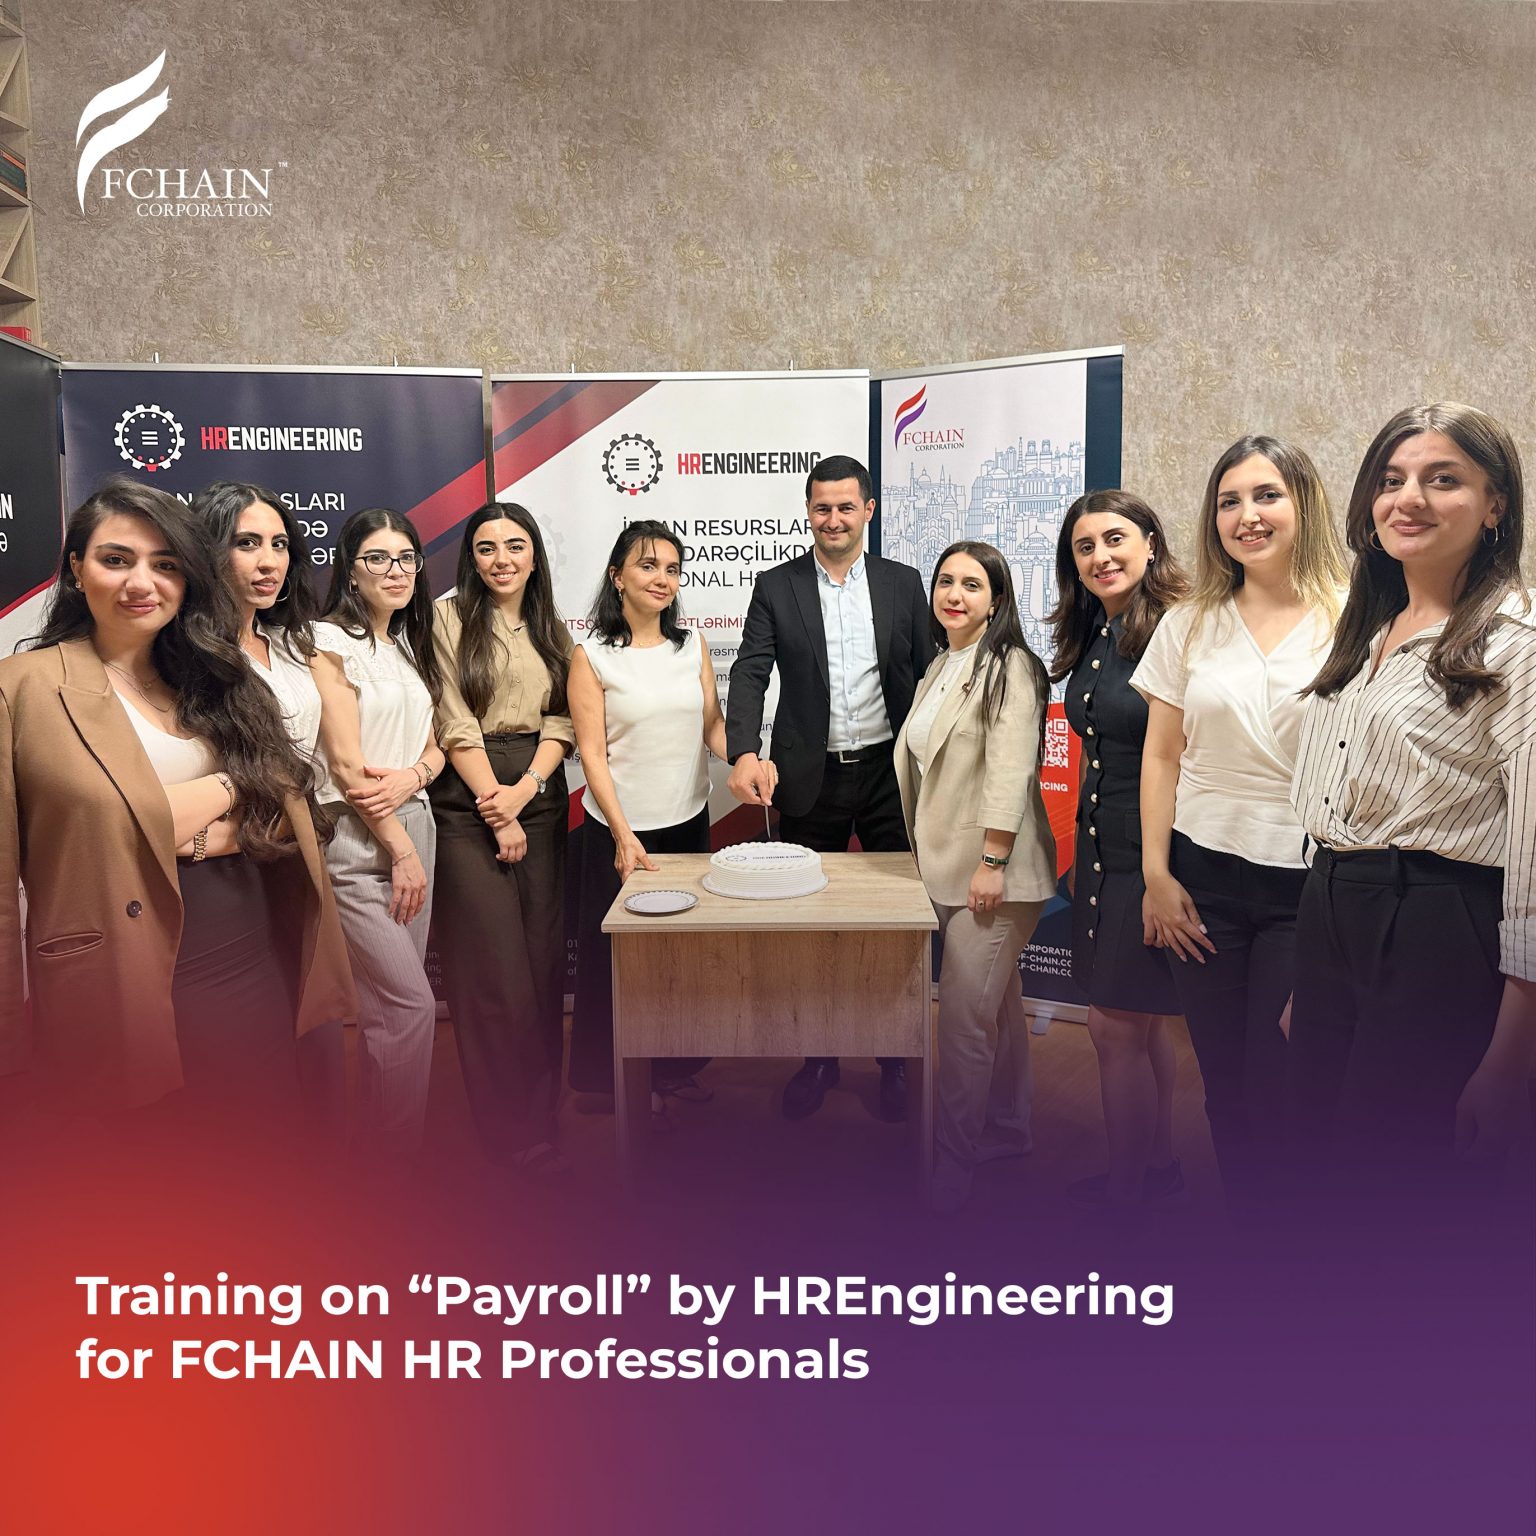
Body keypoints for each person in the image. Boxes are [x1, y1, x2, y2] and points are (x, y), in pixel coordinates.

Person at [0, 477, 353, 1116]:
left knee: (266, 1146)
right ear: (77, 568)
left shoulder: (215, 675)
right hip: (115, 970)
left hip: (250, 949)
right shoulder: (22, 689)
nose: (142, 583)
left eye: (165, 565)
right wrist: (229, 788)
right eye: (116, 559)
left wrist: (186, 820)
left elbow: (288, 804)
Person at [1290, 402, 1536, 1190]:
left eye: (1443, 480)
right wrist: (1313, 964)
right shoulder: (1369, 628)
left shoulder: (1517, 646)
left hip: (1436, 924)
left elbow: (1533, 868)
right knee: (1315, 1161)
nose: (1410, 499)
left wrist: (1513, 1055)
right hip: (1333, 908)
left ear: (1495, 505)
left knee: (1392, 1180)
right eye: (1392, 480)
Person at [1131, 436, 1348, 1205]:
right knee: (1224, 1084)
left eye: (1266, 496)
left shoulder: (1353, 618)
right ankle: (1249, 1237)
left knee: (1280, 1079)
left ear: (1303, 504)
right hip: (1202, 885)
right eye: (1230, 501)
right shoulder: (1189, 623)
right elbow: (1162, 756)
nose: (1247, 515)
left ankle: (1298, 1245)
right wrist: (1156, 876)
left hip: (1307, 888)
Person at [727, 454, 935, 1122]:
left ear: (868, 510)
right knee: (809, 923)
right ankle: (818, 1057)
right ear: (808, 512)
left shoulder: (903, 583)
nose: (834, 519)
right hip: (808, 777)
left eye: (847, 507)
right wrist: (743, 750)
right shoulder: (776, 586)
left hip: (888, 775)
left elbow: (929, 673)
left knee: (895, 922)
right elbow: (750, 671)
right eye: (822, 507)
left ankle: (895, 1059)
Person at [894, 541, 1056, 1212]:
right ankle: (1010, 1128)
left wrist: (992, 862)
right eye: (945, 581)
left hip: (994, 873)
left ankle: (953, 1165)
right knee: (998, 1006)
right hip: (945, 865)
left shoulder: (1011, 665)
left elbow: (1011, 770)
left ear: (997, 600)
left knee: (963, 1021)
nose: (954, 594)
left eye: (972, 584)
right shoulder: (942, 664)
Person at [1048, 490, 1190, 1208]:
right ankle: (1158, 1165)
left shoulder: (1182, 629)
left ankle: (1127, 1197)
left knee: (1111, 1027)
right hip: (1103, 846)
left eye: (1115, 539)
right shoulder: (1097, 634)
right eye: (1085, 547)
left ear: (1150, 544)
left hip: (1156, 853)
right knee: (1141, 1020)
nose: (1101, 557)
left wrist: (1163, 874)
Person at [430, 503, 575, 1173]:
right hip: (469, 799)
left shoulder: (551, 627)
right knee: (494, 975)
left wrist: (529, 790)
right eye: (486, 548)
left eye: (515, 545)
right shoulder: (447, 618)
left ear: (534, 554)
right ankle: (507, 1129)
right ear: (472, 558)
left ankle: (542, 1113)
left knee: (542, 967)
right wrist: (499, 806)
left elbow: (563, 720)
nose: (501, 559)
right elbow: (453, 719)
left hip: (539, 797)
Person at [567, 519, 718, 1115]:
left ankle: (673, 1069)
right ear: (617, 576)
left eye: (672, 569)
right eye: (648, 565)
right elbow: (592, 755)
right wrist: (623, 835)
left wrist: (747, 759)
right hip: (621, 833)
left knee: (680, 957)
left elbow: (712, 726)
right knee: (619, 965)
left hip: (688, 823)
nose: (663, 579)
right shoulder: (592, 655)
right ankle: (614, 1082)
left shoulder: (692, 645)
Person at [311, 508, 445, 1149]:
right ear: (350, 570)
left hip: (416, 824)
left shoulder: (409, 645)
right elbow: (345, 767)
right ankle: (395, 1170)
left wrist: (414, 775)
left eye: (406, 558)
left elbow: (436, 747)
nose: (396, 571)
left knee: (388, 1014)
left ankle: (378, 1155)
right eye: (378, 558)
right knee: (410, 1008)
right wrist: (401, 850)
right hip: (363, 838)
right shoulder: (325, 642)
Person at [191, 480, 324, 757]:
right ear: (209, 550)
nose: (270, 562)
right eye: (247, 543)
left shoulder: (289, 642)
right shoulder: (188, 651)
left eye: (279, 544)